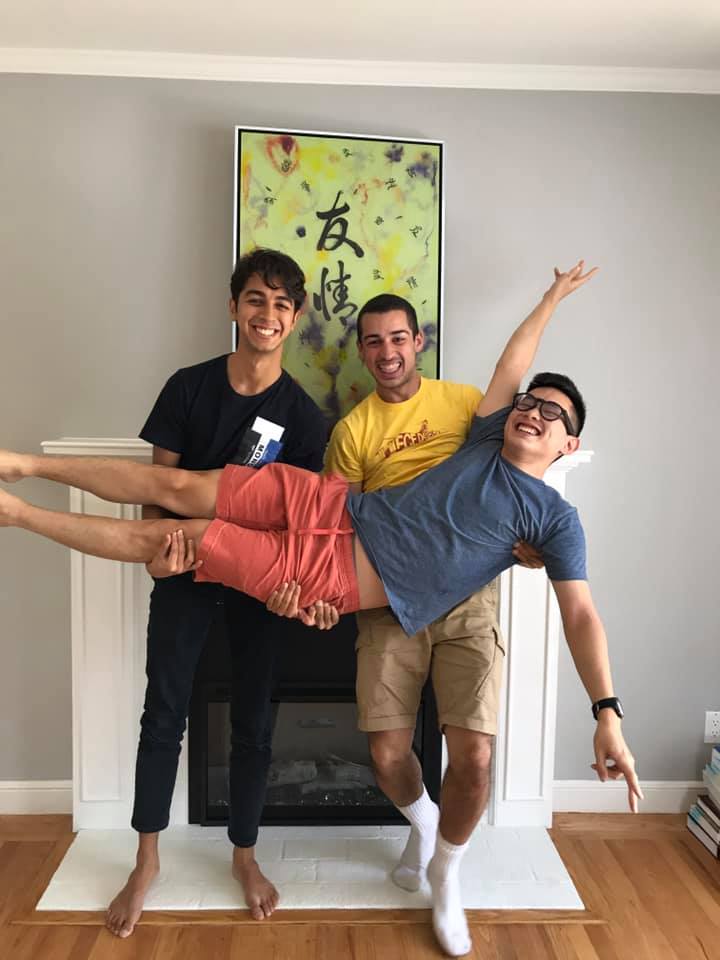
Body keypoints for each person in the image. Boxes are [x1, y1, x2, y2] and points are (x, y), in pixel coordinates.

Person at [0, 261, 642, 957]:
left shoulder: (554, 523)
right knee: (177, 488)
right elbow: (514, 361)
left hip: (329, 571)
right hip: (329, 506)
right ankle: (24, 468)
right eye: (531, 402)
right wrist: (550, 297)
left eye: (554, 414)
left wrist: (607, 711)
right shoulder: (484, 432)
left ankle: (14, 515)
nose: (535, 411)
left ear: (568, 444)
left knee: (171, 537)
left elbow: (580, 616)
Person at [105, 248, 329, 936]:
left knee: (254, 722)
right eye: (256, 299)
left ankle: (244, 855)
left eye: (282, 304)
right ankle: (146, 859)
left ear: (294, 321)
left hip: (258, 584)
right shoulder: (188, 387)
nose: (268, 314)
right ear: (233, 307)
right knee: (163, 712)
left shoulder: (305, 418)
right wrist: (158, 552)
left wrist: (291, 588)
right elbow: (155, 487)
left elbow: (297, 524)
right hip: (186, 571)